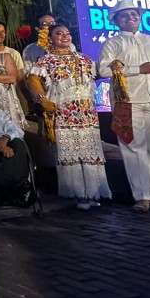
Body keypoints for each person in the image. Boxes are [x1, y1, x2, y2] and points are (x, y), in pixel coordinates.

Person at [97, 0, 150, 213]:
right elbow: (104, 71)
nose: (131, 18)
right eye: (124, 15)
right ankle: (141, 197)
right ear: (116, 21)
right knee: (133, 149)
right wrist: (137, 69)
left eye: (134, 14)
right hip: (126, 102)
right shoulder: (112, 44)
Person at [27, 24, 111, 210]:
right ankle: (79, 194)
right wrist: (41, 99)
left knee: (90, 150)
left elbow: (97, 75)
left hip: (87, 112)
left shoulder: (84, 59)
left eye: (67, 33)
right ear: (50, 38)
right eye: (59, 33)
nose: (65, 36)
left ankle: (94, 191)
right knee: (71, 151)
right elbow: (32, 80)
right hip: (64, 112)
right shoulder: (46, 61)